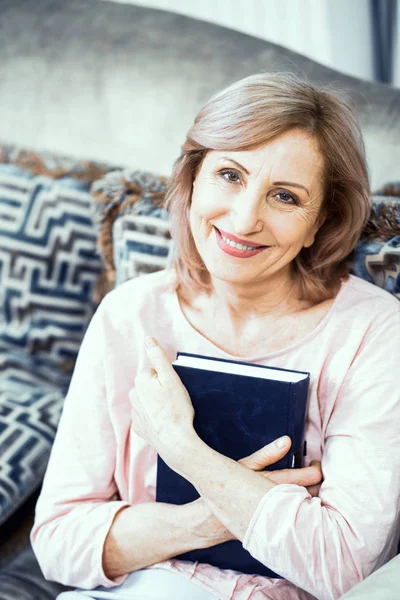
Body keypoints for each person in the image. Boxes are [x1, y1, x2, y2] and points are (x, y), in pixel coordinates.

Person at [30, 73, 400, 600]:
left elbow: (344, 566)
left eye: (284, 196)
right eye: (229, 174)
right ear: (193, 178)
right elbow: (59, 540)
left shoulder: (374, 331)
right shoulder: (130, 315)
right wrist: (214, 516)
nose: (245, 218)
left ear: (321, 222)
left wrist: (185, 451)